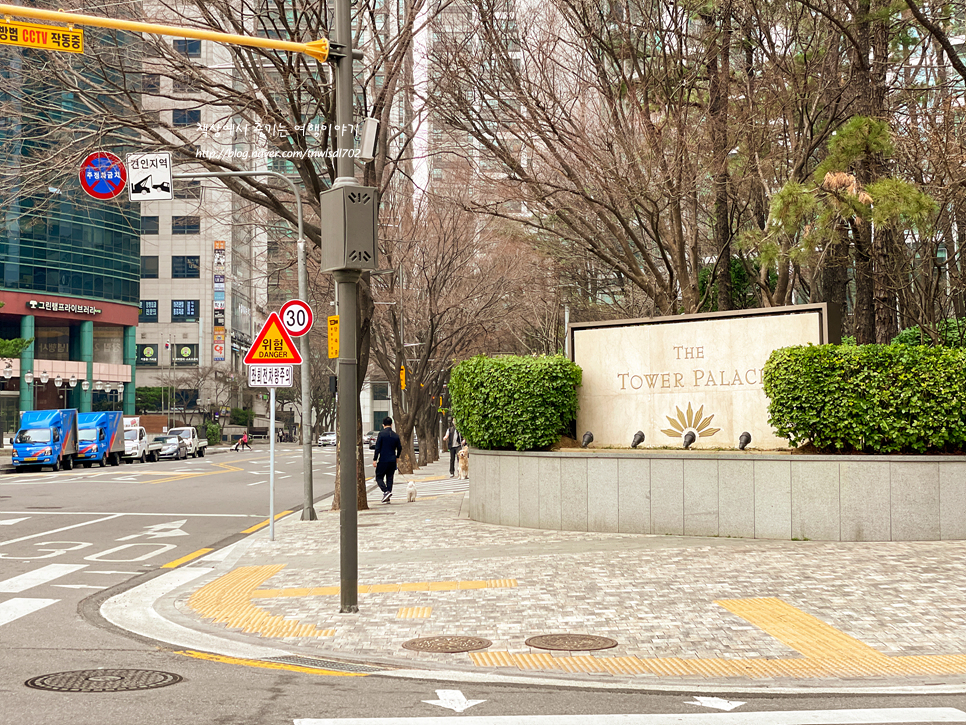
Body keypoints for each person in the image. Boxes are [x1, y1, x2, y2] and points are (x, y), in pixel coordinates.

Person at [372, 416, 402, 503]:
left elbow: (377, 447)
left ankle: (386, 491)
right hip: (392, 460)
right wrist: (397, 457)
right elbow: (400, 447)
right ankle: (388, 497)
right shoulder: (396, 435)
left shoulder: (381, 434)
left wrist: (375, 459)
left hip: (383, 460)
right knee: (390, 478)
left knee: (379, 477)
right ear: (391, 424)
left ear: (383, 425)